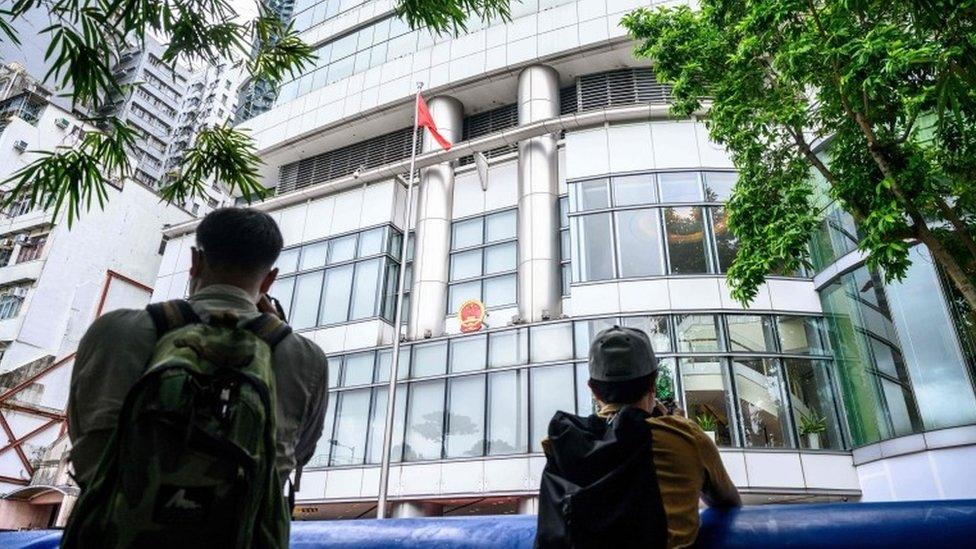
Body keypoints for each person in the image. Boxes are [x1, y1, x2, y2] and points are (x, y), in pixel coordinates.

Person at [67, 206, 329, 495]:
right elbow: (299, 452)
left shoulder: (114, 331)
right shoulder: (305, 357)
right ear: (269, 279)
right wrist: (276, 339)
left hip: (114, 530)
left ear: (195, 261)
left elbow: (83, 432)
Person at [536, 326, 740, 549]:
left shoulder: (561, 442)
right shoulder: (684, 436)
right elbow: (727, 500)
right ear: (653, 382)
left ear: (593, 390)